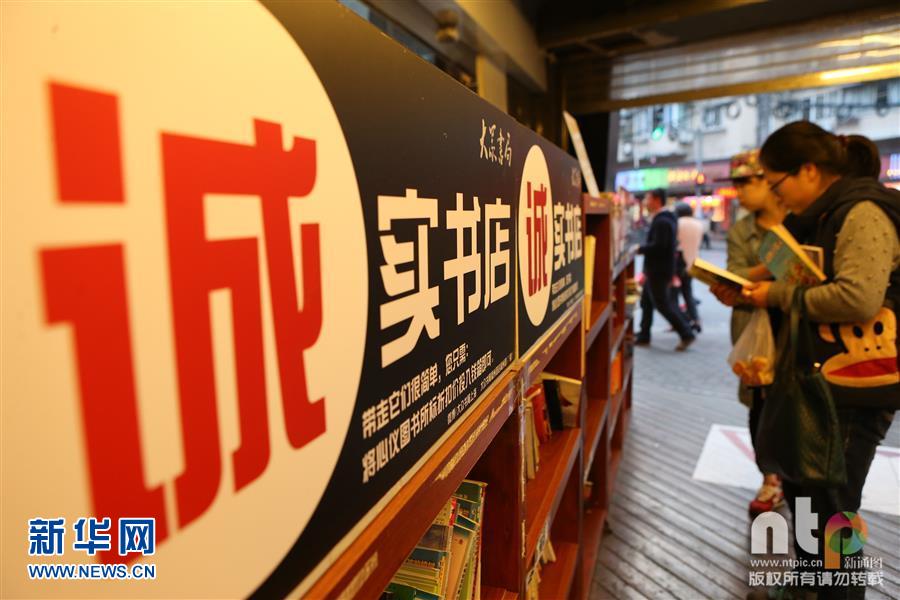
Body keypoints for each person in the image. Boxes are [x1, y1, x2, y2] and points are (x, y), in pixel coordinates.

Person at [743, 122, 900, 600]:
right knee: (804, 487)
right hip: (818, 380)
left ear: (808, 170)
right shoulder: (819, 213)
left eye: (777, 182)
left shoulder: (863, 212)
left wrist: (777, 295)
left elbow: (858, 297)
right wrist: (745, 287)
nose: (776, 193)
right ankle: (809, 583)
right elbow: (786, 269)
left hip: (857, 384)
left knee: (835, 508)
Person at [709, 150, 788, 517]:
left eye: (746, 182)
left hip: (796, 331)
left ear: (769, 180)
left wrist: (755, 275)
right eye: (736, 183)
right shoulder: (742, 229)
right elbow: (736, 279)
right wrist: (781, 263)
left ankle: (796, 478)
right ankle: (771, 477)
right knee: (759, 408)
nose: (739, 191)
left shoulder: (801, 219)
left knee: (796, 406)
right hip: (755, 333)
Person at [635, 189, 696, 351]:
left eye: (648, 198)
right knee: (646, 302)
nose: (646, 202)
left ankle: (686, 333)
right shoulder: (665, 218)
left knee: (662, 304)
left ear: (656, 200)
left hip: (659, 270)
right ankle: (644, 335)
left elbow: (660, 246)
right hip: (656, 269)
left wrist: (640, 249)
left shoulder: (662, 221)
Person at [670, 201, 703, 332]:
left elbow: (675, 244)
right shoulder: (698, 224)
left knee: (673, 296)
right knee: (688, 293)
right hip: (693, 263)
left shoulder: (678, 223)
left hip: (678, 264)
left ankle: (679, 322)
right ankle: (695, 320)